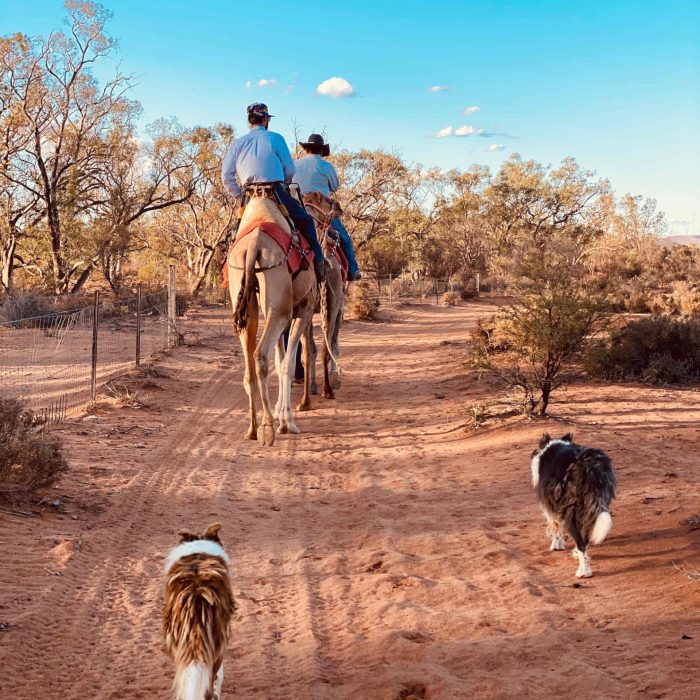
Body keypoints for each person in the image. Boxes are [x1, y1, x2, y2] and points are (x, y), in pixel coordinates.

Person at [221, 104, 325, 281]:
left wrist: (240, 194)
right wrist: (283, 183)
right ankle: (319, 265)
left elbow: (226, 177)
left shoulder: (237, 144)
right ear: (266, 119)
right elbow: (289, 170)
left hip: (249, 195)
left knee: (235, 233)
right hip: (275, 191)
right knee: (306, 222)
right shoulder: (275, 138)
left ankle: (227, 270)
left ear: (249, 121)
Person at [292, 133, 361, 281]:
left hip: (298, 209)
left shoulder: (294, 165)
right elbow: (334, 187)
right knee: (345, 239)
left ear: (307, 149)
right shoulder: (326, 166)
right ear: (322, 151)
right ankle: (353, 271)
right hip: (321, 210)